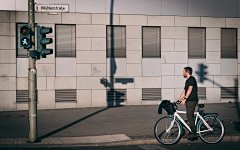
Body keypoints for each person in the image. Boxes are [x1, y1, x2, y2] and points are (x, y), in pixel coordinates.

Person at [178, 67, 198, 140]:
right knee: (189, 116)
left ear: (187, 72)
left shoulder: (192, 79)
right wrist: (179, 99)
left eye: (184, 72)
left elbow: (190, 89)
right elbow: (184, 91)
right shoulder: (187, 81)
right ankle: (191, 132)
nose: (183, 73)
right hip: (189, 100)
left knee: (190, 116)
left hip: (192, 100)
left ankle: (193, 133)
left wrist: (185, 99)